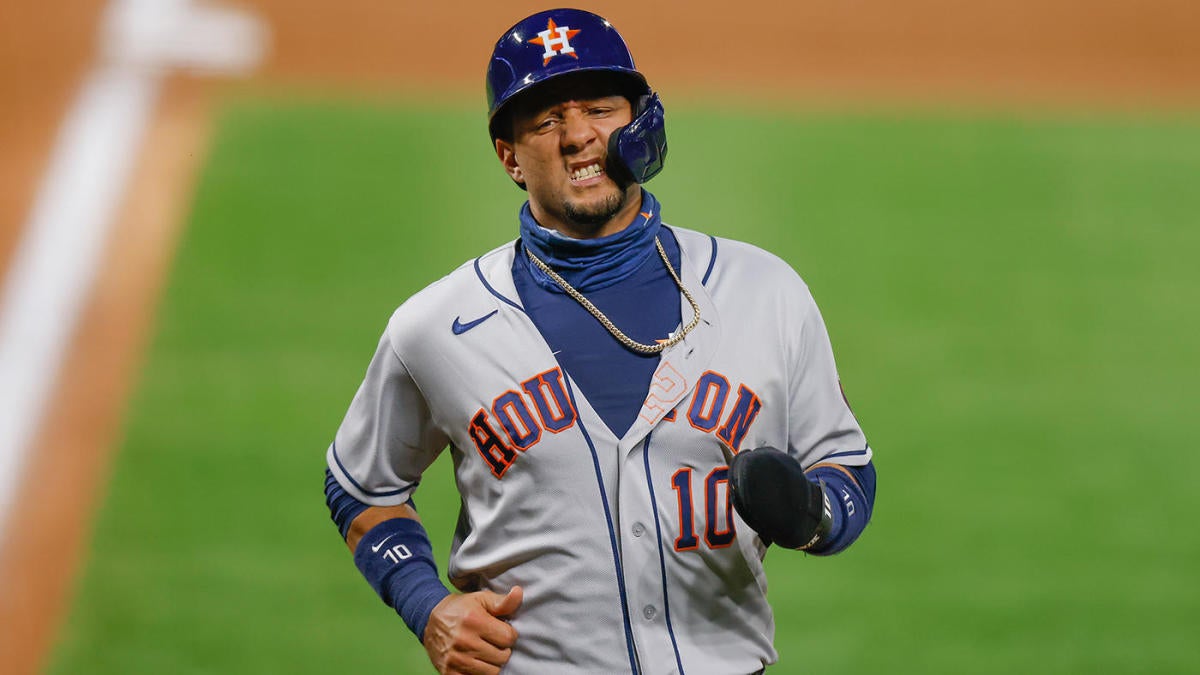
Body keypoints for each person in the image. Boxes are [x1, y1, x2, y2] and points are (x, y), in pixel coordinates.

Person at [323, 8, 877, 674]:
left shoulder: (766, 291)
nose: (579, 135)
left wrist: (816, 515)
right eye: (547, 120)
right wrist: (426, 604)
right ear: (510, 157)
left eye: (600, 109)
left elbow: (846, 462)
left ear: (639, 121)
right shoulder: (437, 326)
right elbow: (360, 485)